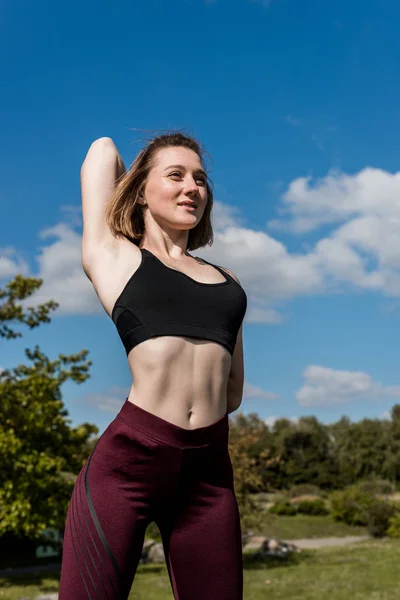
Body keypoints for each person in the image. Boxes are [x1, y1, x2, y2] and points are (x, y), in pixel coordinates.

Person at [58, 132, 248, 600]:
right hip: (128, 465)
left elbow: (233, 392)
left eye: (200, 179)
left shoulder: (228, 282)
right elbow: (101, 151)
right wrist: (135, 185)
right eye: (176, 176)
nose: (192, 188)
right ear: (142, 188)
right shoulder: (116, 257)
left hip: (207, 474)